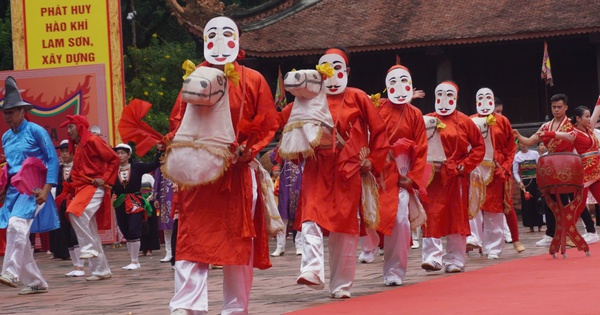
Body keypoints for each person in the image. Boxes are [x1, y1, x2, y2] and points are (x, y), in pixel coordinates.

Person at [166, 16, 278, 315]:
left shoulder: (253, 79)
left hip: (237, 172)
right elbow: (177, 119)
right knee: (192, 237)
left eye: (226, 35)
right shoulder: (195, 76)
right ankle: (186, 306)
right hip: (199, 175)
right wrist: (175, 142)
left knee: (238, 241)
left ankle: (235, 308)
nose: (218, 42)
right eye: (211, 36)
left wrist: (250, 149)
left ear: (237, 41)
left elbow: (268, 122)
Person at [280, 47, 389, 298]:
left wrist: (373, 159)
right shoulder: (307, 98)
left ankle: (341, 285)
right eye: (326, 69)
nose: (332, 75)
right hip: (317, 167)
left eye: (338, 68)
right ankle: (312, 270)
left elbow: (379, 130)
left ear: (347, 71)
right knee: (310, 216)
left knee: (344, 228)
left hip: (347, 169)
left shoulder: (357, 97)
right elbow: (283, 123)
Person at [0, 76, 60, 295]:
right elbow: (10, 166)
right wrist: (4, 189)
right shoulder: (6, 137)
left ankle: (10, 272)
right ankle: (36, 282)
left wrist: (47, 188)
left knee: (17, 225)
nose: (8, 116)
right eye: (5, 113)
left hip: (35, 187)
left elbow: (52, 159)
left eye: (11, 112)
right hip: (14, 189)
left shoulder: (36, 131)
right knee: (18, 232)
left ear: (23, 112)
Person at [370, 65, 427, 285]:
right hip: (378, 174)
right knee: (377, 219)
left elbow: (421, 149)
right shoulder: (377, 108)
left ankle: (394, 271)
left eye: (404, 81)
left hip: (402, 176)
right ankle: (373, 249)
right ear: (386, 86)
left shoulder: (415, 115)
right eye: (393, 82)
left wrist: (413, 176)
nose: (399, 87)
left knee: (400, 220)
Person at [514, 94, 597, 247]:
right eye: (554, 107)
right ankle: (551, 233)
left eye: (559, 107)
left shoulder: (571, 125)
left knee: (569, 200)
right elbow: (530, 140)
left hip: (567, 165)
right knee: (549, 199)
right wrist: (518, 136)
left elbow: (571, 138)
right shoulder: (545, 126)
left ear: (566, 107)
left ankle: (577, 232)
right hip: (551, 166)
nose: (556, 110)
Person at [421, 81, 484, 273]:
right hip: (433, 177)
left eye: (449, 95)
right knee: (431, 214)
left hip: (456, 176)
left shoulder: (465, 121)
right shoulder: (427, 120)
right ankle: (432, 257)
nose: (444, 99)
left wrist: (463, 166)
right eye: (439, 95)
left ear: (456, 98)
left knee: (456, 215)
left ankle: (455, 259)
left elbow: (479, 147)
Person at [60, 114, 119, 281]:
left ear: (79, 127)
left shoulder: (93, 140)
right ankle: (101, 269)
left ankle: (88, 247)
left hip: (94, 187)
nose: (68, 131)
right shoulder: (79, 146)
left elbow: (113, 159)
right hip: (83, 187)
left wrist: (105, 178)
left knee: (75, 212)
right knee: (89, 226)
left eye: (71, 127)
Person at [468, 89, 519, 258]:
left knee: (494, 210)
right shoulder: (471, 121)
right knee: (474, 207)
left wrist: (504, 167)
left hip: (496, 170)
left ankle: (494, 248)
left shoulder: (502, 121)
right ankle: (475, 239)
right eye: (480, 98)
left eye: (487, 97)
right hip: (475, 170)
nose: (484, 100)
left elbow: (511, 148)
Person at [540, 105, 600, 244]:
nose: (589, 119)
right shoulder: (574, 132)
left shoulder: (589, 130)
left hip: (596, 173)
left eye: (589, 116)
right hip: (584, 174)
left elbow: (597, 110)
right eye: (586, 116)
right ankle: (564, 232)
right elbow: (561, 135)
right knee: (577, 206)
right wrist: (547, 134)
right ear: (578, 119)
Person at [112, 143, 162, 270]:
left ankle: (135, 261)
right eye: (117, 153)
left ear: (129, 155)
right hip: (120, 202)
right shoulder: (112, 169)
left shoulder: (136, 167)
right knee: (125, 230)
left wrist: (158, 151)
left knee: (134, 228)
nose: (119, 155)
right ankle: (131, 259)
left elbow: (154, 164)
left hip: (134, 200)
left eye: (122, 153)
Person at [512, 141, 544, 232]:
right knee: (527, 205)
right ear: (518, 145)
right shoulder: (517, 157)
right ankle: (530, 226)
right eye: (521, 144)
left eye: (525, 143)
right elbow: (515, 172)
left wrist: (540, 179)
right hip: (525, 183)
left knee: (538, 202)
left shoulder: (534, 154)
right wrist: (519, 182)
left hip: (536, 181)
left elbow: (540, 166)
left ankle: (540, 225)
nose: (523, 145)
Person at [153, 168, 176, 263]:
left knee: (179, 228)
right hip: (165, 199)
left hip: (179, 198)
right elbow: (157, 182)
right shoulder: (160, 168)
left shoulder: (181, 163)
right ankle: (169, 252)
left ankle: (179, 253)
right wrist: (156, 198)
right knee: (167, 228)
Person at [140, 173, 161, 256]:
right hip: (140, 202)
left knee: (150, 225)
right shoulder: (135, 176)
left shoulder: (148, 177)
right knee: (141, 226)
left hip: (149, 203)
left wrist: (149, 198)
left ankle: (150, 248)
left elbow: (155, 189)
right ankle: (143, 248)